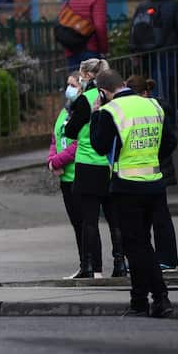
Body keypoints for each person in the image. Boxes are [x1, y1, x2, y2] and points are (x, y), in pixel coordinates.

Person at [89, 70, 177, 318]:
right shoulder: (153, 105)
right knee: (141, 245)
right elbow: (170, 142)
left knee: (137, 247)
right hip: (155, 183)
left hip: (127, 186)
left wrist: (95, 115)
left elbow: (99, 146)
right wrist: (151, 159)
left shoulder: (110, 112)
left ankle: (159, 297)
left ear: (102, 92)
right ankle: (139, 301)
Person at [63, 58, 126, 279]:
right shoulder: (114, 99)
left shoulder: (84, 100)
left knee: (89, 220)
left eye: (81, 75)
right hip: (110, 165)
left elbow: (70, 131)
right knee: (114, 219)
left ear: (88, 76)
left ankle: (89, 265)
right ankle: (120, 263)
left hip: (88, 164)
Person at [127, 74, 178, 273]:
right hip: (153, 169)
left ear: (144, 93)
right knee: (154, 216)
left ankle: (165, 258)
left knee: (159, 217)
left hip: (156, 169)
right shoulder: (155, 108)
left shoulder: (155, 109)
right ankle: (158, 258)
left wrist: (156, 157)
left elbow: (169, 141)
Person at [129, 0, 178, 126]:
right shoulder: (173, 6)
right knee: (167, 87)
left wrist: (134, 51)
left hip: (145, 53)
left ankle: (151, 119)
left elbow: (134, 29)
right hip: (167, 50)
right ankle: (167, 121)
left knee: (149, 85)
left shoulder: (143, 6)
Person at [47, 74, 84, 278]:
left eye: (73, 85)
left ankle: (90, 264)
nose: (68, 89)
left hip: (78, 174)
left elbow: (78, 144)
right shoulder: (64, 111)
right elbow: (56, 138)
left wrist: (57, 161)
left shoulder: (82, 111)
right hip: (65, 178)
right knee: (76, 224)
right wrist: (51, 160)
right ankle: (83, 263)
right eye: (67, 85)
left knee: (84, 223)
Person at [61, 0, 109, 72]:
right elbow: (100, 26)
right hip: (89, 48)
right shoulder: (97, 0)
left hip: (71, 48)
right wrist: (104, 49)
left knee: (76, 81)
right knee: (91, 82)